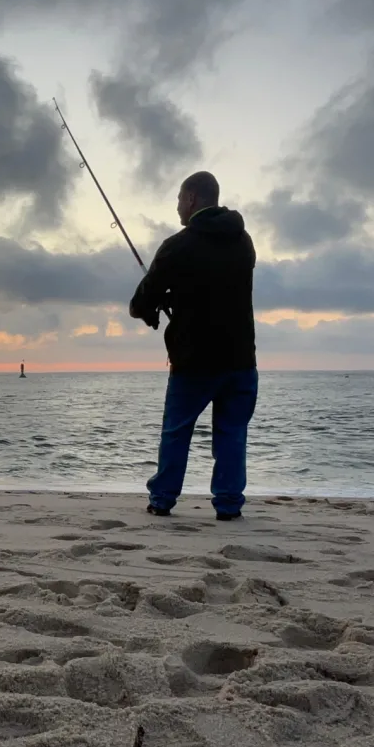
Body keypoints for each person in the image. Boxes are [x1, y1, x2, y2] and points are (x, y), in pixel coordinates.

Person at [129, 171, 257, 522]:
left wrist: (154, 306)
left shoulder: (178, 245)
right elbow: (219, 285)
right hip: (241, 359)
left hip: (194, 360)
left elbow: (141, 301)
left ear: (191, 199)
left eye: (178, 200)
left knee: (176, 432)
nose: (177, 209)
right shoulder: (243, 241)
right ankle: (229, 505)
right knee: (231, 434)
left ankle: (162, 500)